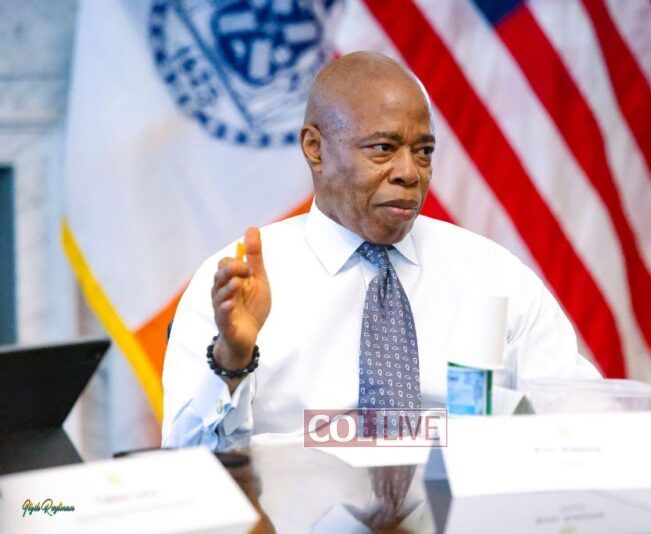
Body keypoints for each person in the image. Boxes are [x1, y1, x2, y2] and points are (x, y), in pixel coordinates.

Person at [161, 51, 600, 450]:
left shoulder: (494, 275)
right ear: (315, 148)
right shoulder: (238, 287)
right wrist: (232, 361)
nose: (409, 172)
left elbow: (583, 426)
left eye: (423, 151)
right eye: (383, 149)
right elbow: (188, 461)